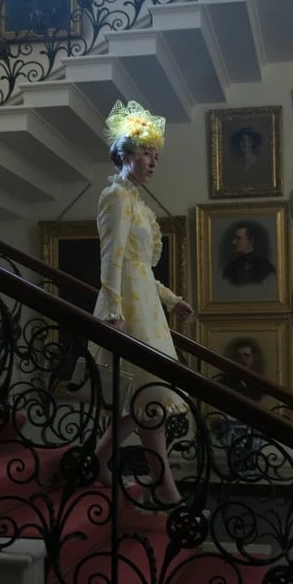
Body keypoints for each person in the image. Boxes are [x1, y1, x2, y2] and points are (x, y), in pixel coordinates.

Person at [89, 100, 194, 509]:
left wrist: (172, 300)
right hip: (129, 310)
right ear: (126, 153)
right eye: (147, 153)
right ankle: (164, 485)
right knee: (149, 398)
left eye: (156, 156)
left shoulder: (136, 203)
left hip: (147, 307)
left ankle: (101, 460)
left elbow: (142, 269)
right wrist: (112, 311)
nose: (153, 162)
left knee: (146, 399)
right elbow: (112, 257)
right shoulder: (115, 197)